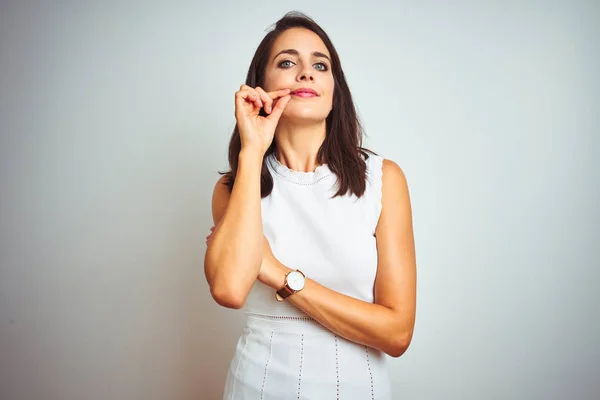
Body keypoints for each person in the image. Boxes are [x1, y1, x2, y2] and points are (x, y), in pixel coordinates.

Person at [204, 11, 416, 400]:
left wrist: (278, 273)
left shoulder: (383, 179)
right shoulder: (234, 187)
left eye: (320, 65)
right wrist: (252, 150)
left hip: (357, 389)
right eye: (287, 62)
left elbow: (397, 333)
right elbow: (230, 290)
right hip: (257, 385)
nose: (306, 73)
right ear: (260, 87)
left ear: (335, 92)